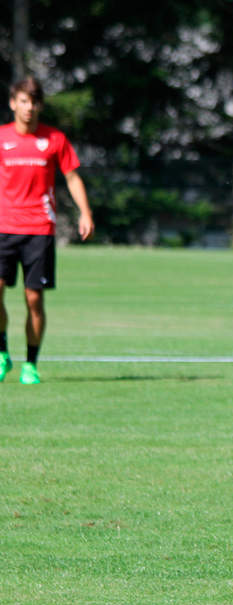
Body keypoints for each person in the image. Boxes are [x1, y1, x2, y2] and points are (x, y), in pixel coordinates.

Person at [0, 76, 94, 385]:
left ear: (40, 106)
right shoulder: (1, 138)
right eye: (23, 101)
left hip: (39, 230)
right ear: (14, 103)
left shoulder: (54, 139)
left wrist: (85, 212)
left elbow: (73, 177)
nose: (29, 108)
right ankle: (2, 353)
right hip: (3, 228)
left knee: (34, 300)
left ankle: (31, 364)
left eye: (34, 102)